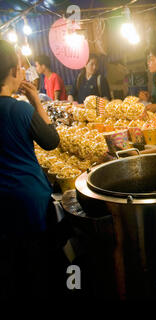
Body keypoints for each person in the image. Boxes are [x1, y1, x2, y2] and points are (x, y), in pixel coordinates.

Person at [0, 40, 61, 298]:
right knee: (39, 271)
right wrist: (35, 99)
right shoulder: (20, 109)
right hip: (31, 205)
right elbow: (51, 141)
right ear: (14, 71)